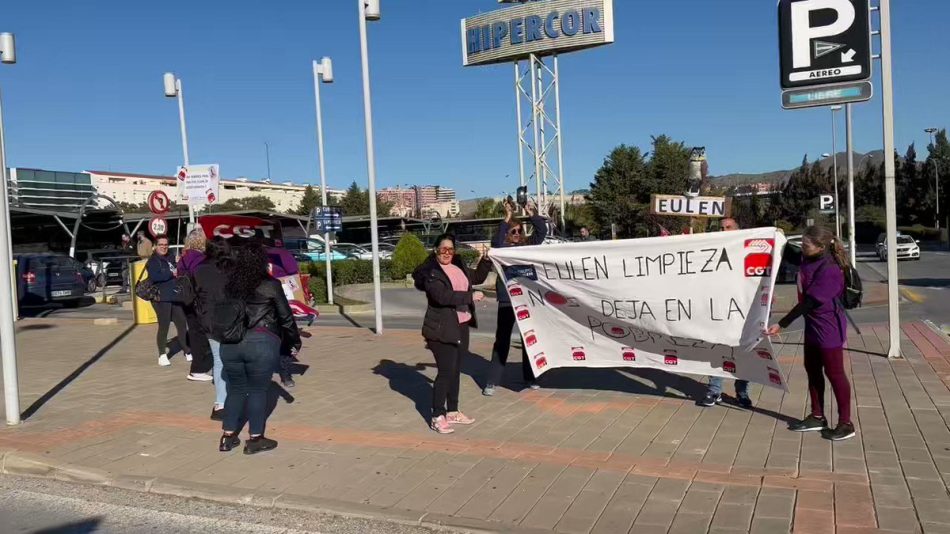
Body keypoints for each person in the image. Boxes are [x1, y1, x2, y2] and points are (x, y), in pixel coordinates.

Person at [766, 225, 854, 441]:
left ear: (821, 246)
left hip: (829, 328)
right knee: (812, 370)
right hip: (813, 327)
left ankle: (846, 423)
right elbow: (788, 250)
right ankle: (817, 416)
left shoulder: (831, 269)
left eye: (806, 245)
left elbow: (809, 302)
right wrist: (775, 234)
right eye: (803, 245)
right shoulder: (809, 258)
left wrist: (782, 324)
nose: (802, 248)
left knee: (834, 374)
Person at [218, 240, 301, 454]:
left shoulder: (230, 285)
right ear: (262, 261)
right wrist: (293, 342)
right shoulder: (270, 285)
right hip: (260, 343)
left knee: (235, 389)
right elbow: (286, 318)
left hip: (230, 344)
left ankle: (227, 437)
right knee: (257, 389)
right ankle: (255, 438)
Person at [413, 234, 493, 434]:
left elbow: (478, 278)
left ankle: (453, 411)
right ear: (436, 251)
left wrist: (486, 260)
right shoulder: (431, 273)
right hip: (441, 329)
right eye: (443, 249)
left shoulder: (459, 267)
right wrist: (469, 296)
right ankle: (437, 416)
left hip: (461, 326)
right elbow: (442, 296)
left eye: (450, 250)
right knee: (446, 372)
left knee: (455, 371)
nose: (447, 253)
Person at [483, 200, 547, 396]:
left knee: (529, 339)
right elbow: (496, 242)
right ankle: (492, 381)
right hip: (506, 301)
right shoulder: (501, 250)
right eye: (514, 232)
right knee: (502, 340)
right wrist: (507, 218)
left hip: (527, 299)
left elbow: (541, 233)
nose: (518, 235)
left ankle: (530, 377)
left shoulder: (527, 248)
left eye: (520, 231)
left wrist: (532, 214)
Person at [698, 217, 752, 409]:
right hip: (719, 310)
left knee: (744, 352)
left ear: (738, 229)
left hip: (744, 310)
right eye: (721, 228)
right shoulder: (710, 251)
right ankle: (714, 390)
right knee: (718, 351)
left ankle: (742, 392)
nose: (724, 231)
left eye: (728, 227)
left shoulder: (747, 250)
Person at [194, 237, 233, 421]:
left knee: (218, 361)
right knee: (233, 359)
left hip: (208, 320)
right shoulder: (231, 269)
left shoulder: (199, 269)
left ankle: (220, 402)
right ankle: (236, 396)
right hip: (231, 319)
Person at [146, 235, 193, 370]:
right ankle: (162, 354)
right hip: (161, 298)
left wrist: (179, 264)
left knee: (182, 324)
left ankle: (187, 350)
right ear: (155, 246)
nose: (164, 247)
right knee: (164, 326)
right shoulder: (153, 261)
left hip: (174, 297)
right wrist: (171, 273)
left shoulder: (171, 257)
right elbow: (155, 277)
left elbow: (179, 272)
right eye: (161, 244)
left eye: (166, 244)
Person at [176, 227, 214, 381]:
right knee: (200, 334)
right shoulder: (199, 259)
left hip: (185, 299)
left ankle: (198, 366)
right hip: (198, 300)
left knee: (194, 330)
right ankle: (198, 369)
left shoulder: (183, 258)